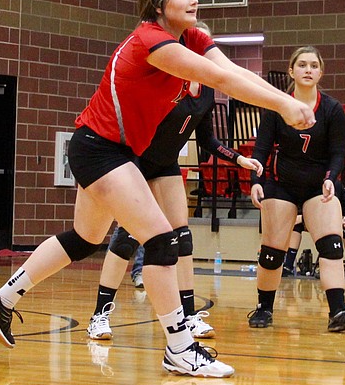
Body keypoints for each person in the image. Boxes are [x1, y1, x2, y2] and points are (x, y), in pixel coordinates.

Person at [0, 0, 313, 379]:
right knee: (161, 241)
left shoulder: (195, 38)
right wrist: (282, 107)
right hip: (100, 149)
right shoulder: (153, 41)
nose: (194, 0)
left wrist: (284, 99)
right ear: (159, 4)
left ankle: (2, 300)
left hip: (104, 149)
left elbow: (235, 72)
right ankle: (180, 347)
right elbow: (220, 79)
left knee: (84, 240)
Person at [85, 50, 264, 342]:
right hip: (138, 161)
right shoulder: (166, 84)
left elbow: (208, 141)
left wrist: (237, 159)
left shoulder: (205, 93)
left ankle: (190, 316)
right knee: (127, 236)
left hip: (166, 165)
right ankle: (100, 315)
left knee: (183, 237)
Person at [247, 46, 345, 332]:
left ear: (320, 72)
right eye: (302, 65)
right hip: (282, 185)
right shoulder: (278, 106)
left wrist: (330, 177)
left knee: (332, 246)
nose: (308, 69)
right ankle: (263, 308)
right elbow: (261, 149)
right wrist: (256, 182)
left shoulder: (332, 109)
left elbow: (338, 152)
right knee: (272, 252)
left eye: (313, 65)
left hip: (318, 185)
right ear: (292, 71)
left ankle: (338, 311)